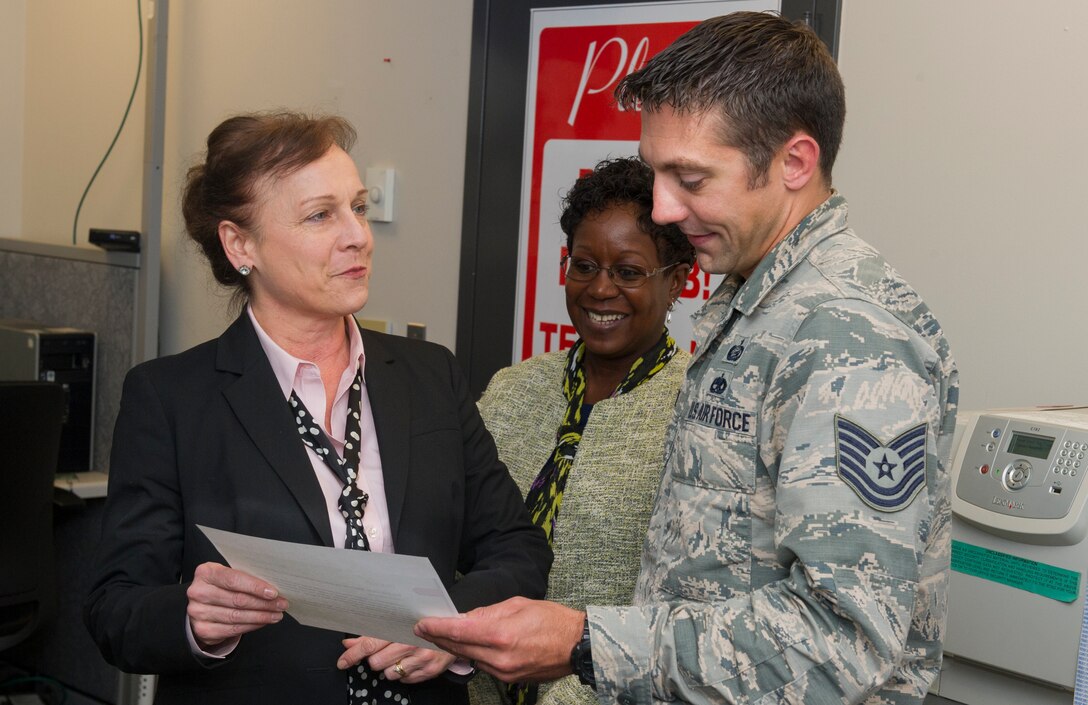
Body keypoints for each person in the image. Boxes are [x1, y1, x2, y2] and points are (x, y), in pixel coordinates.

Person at [415, 11, 959, 705]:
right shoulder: (754, 305)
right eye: (656, 174)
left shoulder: (850, 337)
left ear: (793, 162)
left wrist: (584, 642)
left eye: (691, 179)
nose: (665, 209)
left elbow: (840, 639)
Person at [83, 111, 551, 705]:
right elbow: (114, 607)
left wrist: (450, 627)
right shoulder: (171, 398)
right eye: (320, 215)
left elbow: (517, 548)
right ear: (240, 244)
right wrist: (192, 616)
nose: (358, 234)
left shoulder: (429, 375)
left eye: (358, 206)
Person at [469, 157, 694, 705]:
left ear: (678, 283)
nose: (600, 289)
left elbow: (688, 608)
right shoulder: (512, 390)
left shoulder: (698, 410)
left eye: (628, 271)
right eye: (584, 265)